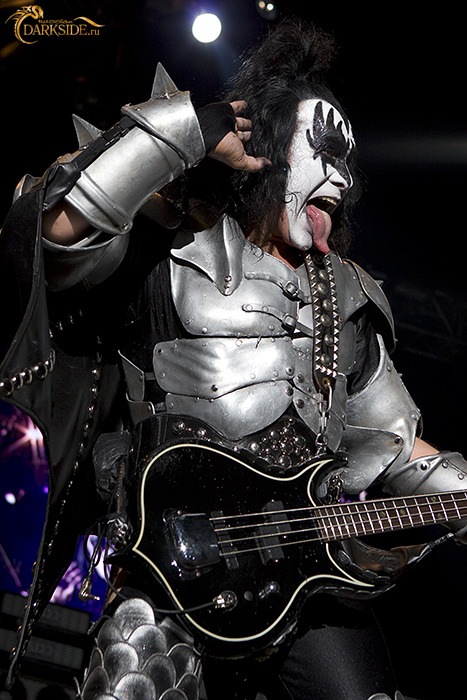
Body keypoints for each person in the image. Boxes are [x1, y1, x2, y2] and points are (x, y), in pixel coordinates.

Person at [1, 16, 466, 700]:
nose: (339, 178)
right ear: (268, 152)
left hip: (301, 572)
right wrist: (183, 129)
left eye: (347, 162)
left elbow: (394, 445)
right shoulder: (167, 246)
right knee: (140, 676)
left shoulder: (344, 294)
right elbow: (55, 234)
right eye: (323, 152)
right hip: (163, 563)